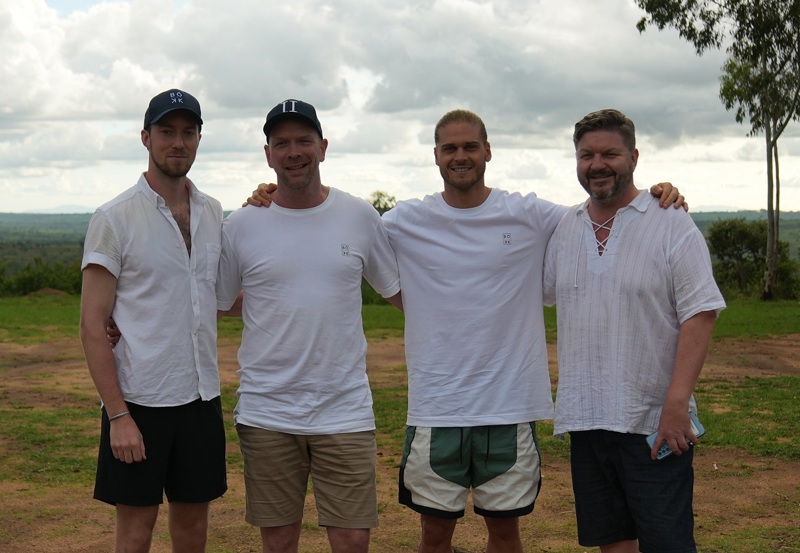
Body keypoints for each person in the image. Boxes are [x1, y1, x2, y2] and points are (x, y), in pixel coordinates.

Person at [248, 108, 682, 553]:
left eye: (470, 146)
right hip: (437, 408)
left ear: (488, 151)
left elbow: (598, 208)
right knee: (434, 535)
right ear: (435, 156)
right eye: (450, 148)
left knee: (505, 534)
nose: (460, 156)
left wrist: (654, 195)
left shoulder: (530, 214)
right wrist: (269, 198)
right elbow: (330, 222)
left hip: (510, 406)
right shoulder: (402, 221)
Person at [215, 99, 402, 553]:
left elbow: (398, 293)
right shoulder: (240, 225)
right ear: (268, 153)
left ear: (323, 147)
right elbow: (220, 303)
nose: (293, 151)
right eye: (282, 143)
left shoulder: (359, 217)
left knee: (353, 538)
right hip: (267, 410)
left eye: (303, 140)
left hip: (344, 407)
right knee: (278, 540)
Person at [543, 108, 725, 553]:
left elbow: (700, 312)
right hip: (587, 419)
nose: (597, 164)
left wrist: (677, 404)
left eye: (610, 153)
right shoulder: (563, 228)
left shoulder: (669, 222)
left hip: (653, 420)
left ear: (634, 157)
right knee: (613, 543)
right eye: (586, 155)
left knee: (668, 543)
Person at [79, 89, 227, 553]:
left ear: (200, 138)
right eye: (167, 132)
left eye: (188, 132)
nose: (177, 142)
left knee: (193, 532)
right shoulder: (114, 217)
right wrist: (118, 416)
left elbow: (215, 296)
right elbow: (91, 323)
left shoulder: (213, 212)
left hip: (201, 397)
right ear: (146, 137)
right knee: (135, 534)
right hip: (139, 401)